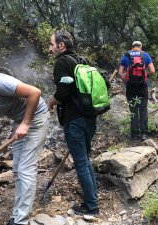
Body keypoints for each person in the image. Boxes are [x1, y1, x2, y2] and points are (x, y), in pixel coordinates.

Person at [0, 72, 50, 225]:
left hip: (36, 117)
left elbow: (34, 92)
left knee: (26, 168)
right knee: (17, 169)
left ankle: (21, 221)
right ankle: (17, 216)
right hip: (19, 122)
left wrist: (25, 123)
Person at [47, 30, 99, 216]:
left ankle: (92, 207)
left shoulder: (62, 62)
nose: (50, 48)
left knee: (80, 162)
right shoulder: (84, 60)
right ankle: (93, 199)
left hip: (74, 119)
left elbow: (62, 93)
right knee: (85, 158)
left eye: (52, 44)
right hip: (91, 116)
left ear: (61, 46)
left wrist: (50, 104)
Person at [118, 41, 155, 141]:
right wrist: (145, 77)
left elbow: (120, 73)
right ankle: (144, 134)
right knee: (143, 110)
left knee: (133, 111)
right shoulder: (145, 55)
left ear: (132, 47)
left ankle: (134, 135)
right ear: (141, 47)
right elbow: (152, 71)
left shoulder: (126, 55)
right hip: (143, 86)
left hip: (131, 87)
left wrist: (127, 82)